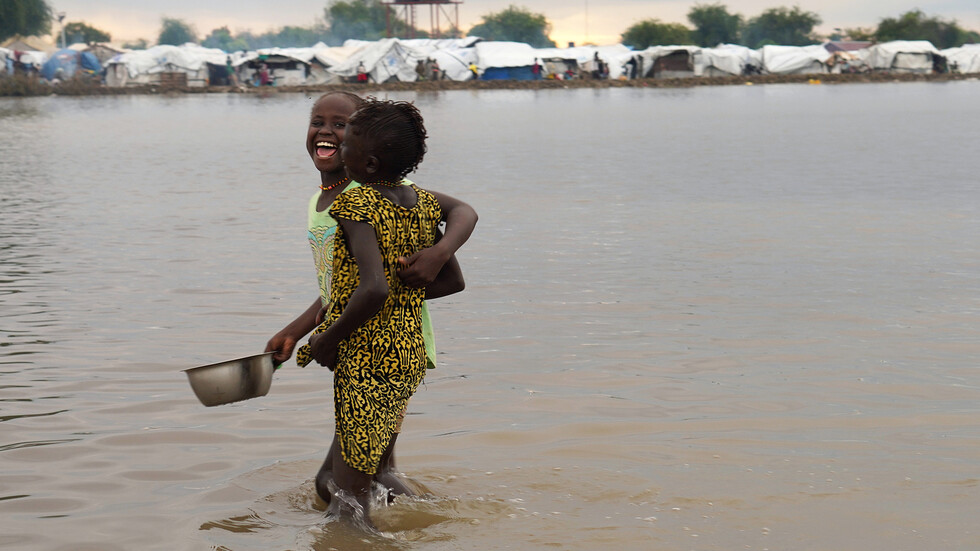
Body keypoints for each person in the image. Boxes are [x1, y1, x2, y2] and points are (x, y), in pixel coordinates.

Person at [264, 92, 477, 515]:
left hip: (372, 350)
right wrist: (298, 329)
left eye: (343, 128)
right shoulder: (341, 200)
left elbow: (375, 287)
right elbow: (344, 286)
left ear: (367, 152)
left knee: (347, 490)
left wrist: (326, 339)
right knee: (360, 475)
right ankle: (441, 522)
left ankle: (387, 532)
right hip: (393, 349)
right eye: (317, 121)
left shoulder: (365, 199)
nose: (328, 134)